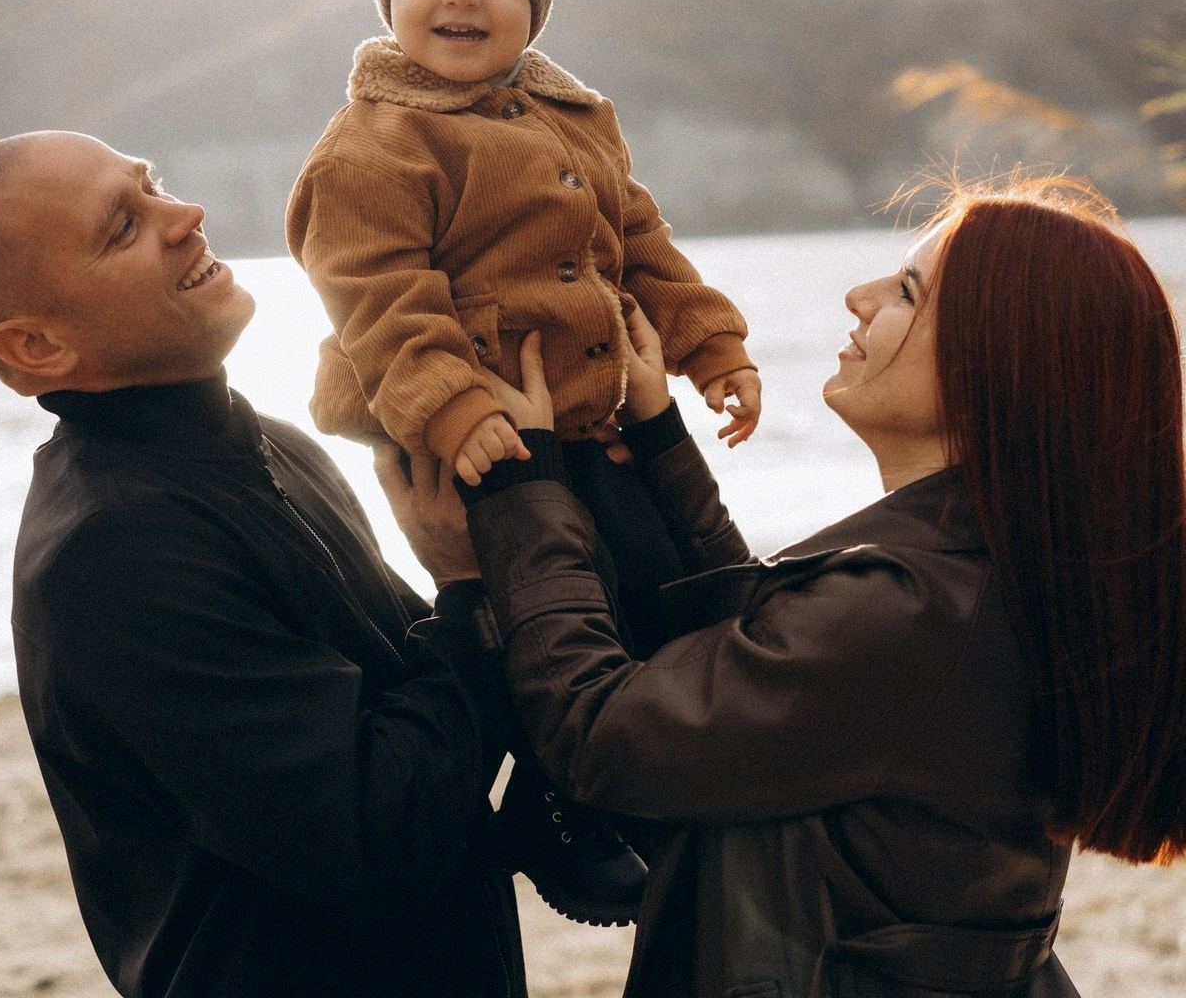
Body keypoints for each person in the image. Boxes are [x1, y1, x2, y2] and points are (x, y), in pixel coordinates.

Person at [384, 175, 1186, 997]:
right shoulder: (983, 576)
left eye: (907, 291)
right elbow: (771, 665)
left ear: (996, 361)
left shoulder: (912, 610)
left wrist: (521, 502)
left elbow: (603, 738)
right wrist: (661, 445)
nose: (860, 296)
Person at [0, 130, 531, 998]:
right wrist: (468, 592)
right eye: (123, 226)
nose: (185, 215)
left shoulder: (266, 443)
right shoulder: (112, 551)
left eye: (153, 183)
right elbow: (375, 840)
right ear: (38, 348)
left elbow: (418, 705)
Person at [286, 0, 758, 918]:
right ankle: (552, 798)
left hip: (589, 421)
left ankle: (624, 788)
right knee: (540, 613)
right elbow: (373, 292)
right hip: (472, 420)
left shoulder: (570, 116)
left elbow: (639, 241)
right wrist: (450, 405)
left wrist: (710, 344)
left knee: (648, 589)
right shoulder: (376, 145)